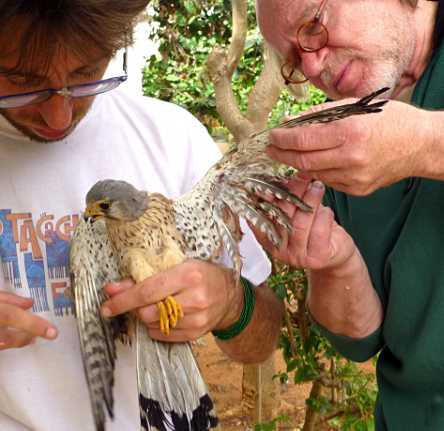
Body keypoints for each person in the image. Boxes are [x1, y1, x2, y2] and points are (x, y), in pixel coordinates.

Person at [0, 2, 284, 430]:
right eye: (24, 81)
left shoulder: (172, 138)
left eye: (85, 73)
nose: (58, 116)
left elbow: (262, 339)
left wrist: (230, 303)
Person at [255, 0, 444, 430]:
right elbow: (360, 341)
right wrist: (333, 260)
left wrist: (422, 143)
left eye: (314, 23)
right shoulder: (346, 132)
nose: (312, 66)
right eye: (294, 61)